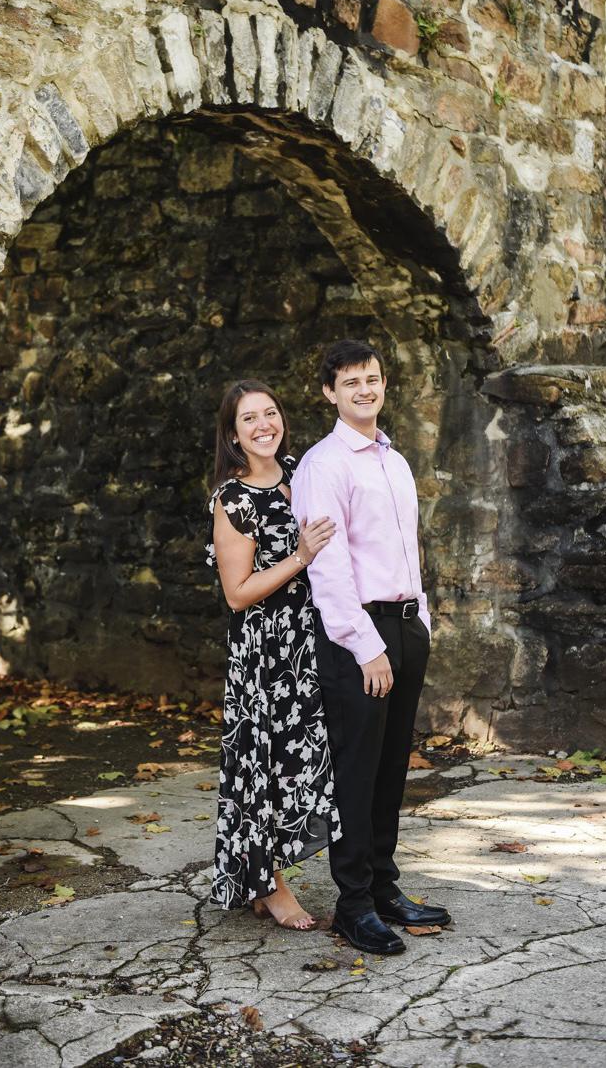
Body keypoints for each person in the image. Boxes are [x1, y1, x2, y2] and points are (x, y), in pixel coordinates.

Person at [291, 340, 451, 955]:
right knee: (356, 776)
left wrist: (422, 624)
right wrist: (367, 646)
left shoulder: (393, 459)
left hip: (406, 627)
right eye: (351, 382)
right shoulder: (324, 466)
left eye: (373, 379)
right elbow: (327, 570)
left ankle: (385, 888)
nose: (365, 390)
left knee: (389, 772)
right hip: (360, 637)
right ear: (330, 392)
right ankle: (353, 906)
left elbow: (408, 549)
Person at [205, 379, 341, 929]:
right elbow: (237, 593)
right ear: (233, 434)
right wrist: (302, 556)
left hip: (312, 642)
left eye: (270, 413)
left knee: (307, 760)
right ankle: (272, 885)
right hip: (266, 652)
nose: (263, 425)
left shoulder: (300, 474)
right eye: (248, 419)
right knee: (266, 764)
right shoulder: (233, 499)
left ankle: (262, 876)